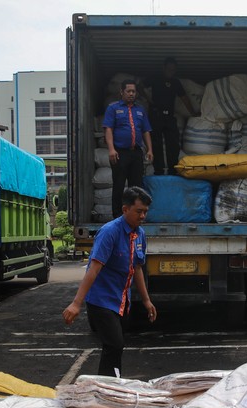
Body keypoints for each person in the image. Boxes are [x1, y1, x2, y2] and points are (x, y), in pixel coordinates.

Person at [62, 187, 157, 377]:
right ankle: (107, 387)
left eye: (145, 212)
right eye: (139, 211)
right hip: (101, 300)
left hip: (122, 301)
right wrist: (76, 303)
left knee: (114, 347)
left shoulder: (140, 235)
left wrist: (146, 301)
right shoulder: (109, 232)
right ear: (125, 209)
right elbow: (94, 269)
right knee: (114, 344)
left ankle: (110, 386)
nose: (142, 216)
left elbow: (137, 268)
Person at [103, 80, 154, 218]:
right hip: (120, 153)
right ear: (121, 92)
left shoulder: (140, 110)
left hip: (136, 153)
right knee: (119, 185)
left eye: (133, 91)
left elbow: (146, 131)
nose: (131, 94)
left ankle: (135, 215)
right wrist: (111, 149)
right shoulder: (113, 108)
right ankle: (117, 216)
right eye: (128, 91)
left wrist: (149, 150)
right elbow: (108, 129)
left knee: (136, 187)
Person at [148, 57, 197, 175]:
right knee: (156, 143)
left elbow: (184, 98)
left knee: (174, 143)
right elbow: (139, 86)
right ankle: (158, 170)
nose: (171, 72)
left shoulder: (175, 82)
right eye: (169, 69)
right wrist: (147, 99)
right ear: (163, 68)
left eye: (173, 70)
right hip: (156, 115)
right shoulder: (155, 79)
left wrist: (193, 113)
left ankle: (173, 169)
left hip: (169, 116)